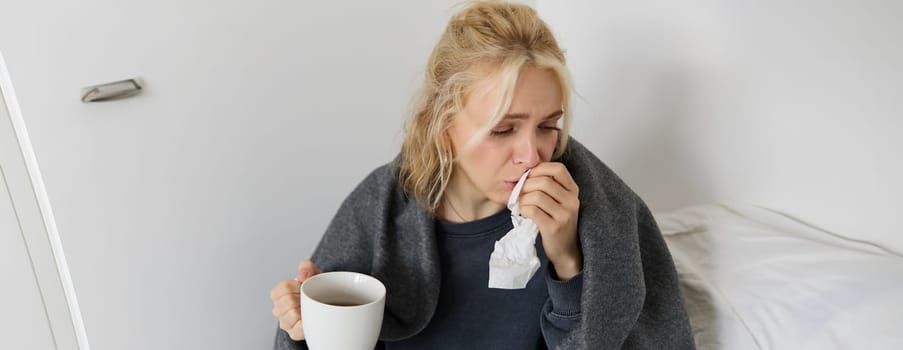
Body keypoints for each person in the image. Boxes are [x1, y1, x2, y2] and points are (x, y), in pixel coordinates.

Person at [270, 1, 694, 349]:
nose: (531, 155)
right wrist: (303, 328)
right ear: (442, 124)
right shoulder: (380, 210)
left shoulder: (600, 211)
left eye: (549, 126)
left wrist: (567, 261)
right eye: (503, 129)